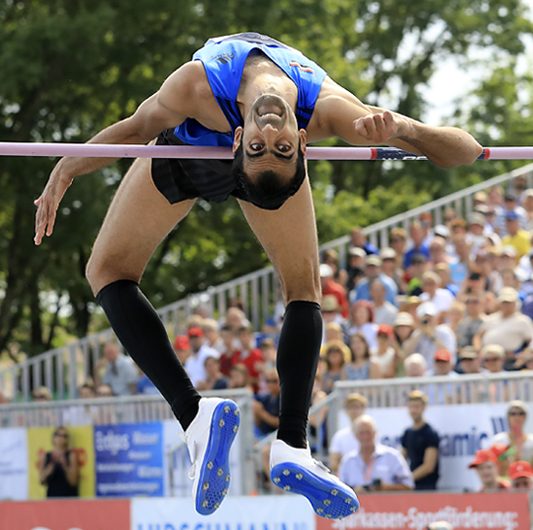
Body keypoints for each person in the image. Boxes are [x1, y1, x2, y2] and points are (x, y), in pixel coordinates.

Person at [35, 32, 480, 516]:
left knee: (107, 270)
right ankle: (288, 443)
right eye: (277, 145)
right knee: (301, 290)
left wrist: (406, 129)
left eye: (275, 145)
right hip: (201, 151)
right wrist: (66, 167)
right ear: (248, 141)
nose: (271, 133)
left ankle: (215, 421)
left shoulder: (200, 89)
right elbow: (135, 128)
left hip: (192, 149)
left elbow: (468, 151)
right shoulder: (326, 109)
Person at [339, 415, 414, 492]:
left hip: (387, 502)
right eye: (361, 433)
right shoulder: (348, 460)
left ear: (375, 433)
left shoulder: (392, 456)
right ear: (356, 435)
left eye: (368, 432)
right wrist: (354, 490)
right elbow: (340, 490)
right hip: (356, 503)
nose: (365, 437)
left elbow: (409, 486)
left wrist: (386, 488)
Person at [490, 401, 533, 477]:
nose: (517, 417)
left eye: (521, 414)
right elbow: (498, 472)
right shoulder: (499, 441)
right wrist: (513, 459)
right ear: (508, 417)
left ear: (525, 417)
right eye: (513, 414)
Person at [401, 391, 440, 491]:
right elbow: (401, 460)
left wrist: (407, 480)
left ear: (423, 408)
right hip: (411, 488)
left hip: (427, 487)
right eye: (411, 407)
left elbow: (429, 466)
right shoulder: (407, 433)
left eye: (417, 407)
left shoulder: (430, 433)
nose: (414, 410)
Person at [329, 394, 367, 473]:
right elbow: (333, 463)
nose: (354, 411)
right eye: (350, 407)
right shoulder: (340, 436)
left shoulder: (372, 434)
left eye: (357, 407)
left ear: (363, 409)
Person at [38, 427, 79, 497]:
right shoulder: (46, 456)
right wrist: (49, 470)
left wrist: (65, 466)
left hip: (69, 497)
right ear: (54, 438)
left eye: (64, 436)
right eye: (59, 435)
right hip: (52, 497)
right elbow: (41, 481)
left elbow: (73, 482)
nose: (61, 438)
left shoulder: (71, 455)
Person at [253, 369, 281, 439]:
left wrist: (262, 413)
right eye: (268, 381)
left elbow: (282, 423)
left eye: (274, 381)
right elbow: (259, 425)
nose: (270, 384)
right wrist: (256, 413)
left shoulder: (285, 399)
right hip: (264, 435)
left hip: (278, 436)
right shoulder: (264, 399)